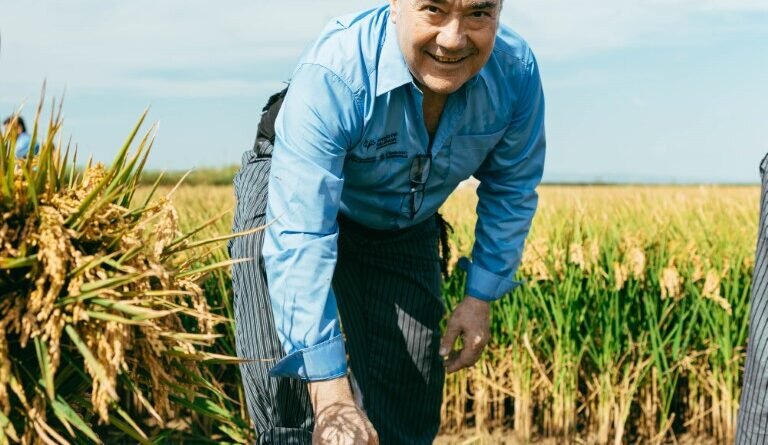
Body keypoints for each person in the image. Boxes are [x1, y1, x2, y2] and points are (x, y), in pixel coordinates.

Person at [229, 1, 546, 443]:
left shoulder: (515, 72)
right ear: (396, 5)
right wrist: (331, 398)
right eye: (433, 9)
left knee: (406, 398)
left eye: (478, 13)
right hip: (294, 195)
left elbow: (511, 186)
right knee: (296, 401)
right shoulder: (335, 73)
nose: (453, 39)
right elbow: (301, 233)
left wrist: (479, 298)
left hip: (402, 214)